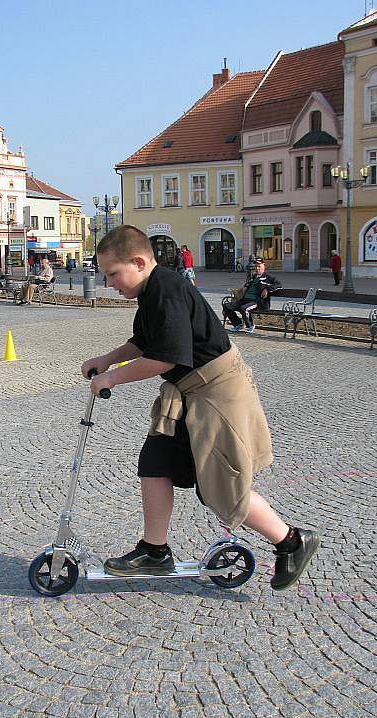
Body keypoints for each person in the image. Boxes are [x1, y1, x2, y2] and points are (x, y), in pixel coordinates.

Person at [81, 225, 319, 591]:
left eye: (113, 273)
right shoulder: (152, 292)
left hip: (217, 391)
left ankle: (292, 541)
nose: (109, 282)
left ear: (140, 262)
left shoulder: (167, 289)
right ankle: (155, 550)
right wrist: (108, 359)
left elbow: (163, 358)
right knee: (155, 461)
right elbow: (144, 341)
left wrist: (111, 379)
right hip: (189, 391)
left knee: (219, 486)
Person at [223, 258, 281, 333]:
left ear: (264, 266)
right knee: (227, 306)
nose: (257, 268)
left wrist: (267, 289)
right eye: (256, 267)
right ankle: (238, 324)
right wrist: (245, 287)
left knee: (243, 308)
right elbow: (246, 285)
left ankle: (250, 325)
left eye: (259, 266)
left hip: (257, 302)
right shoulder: (253, 277)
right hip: (245, 300)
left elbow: (279, 285)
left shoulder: (269, 277)